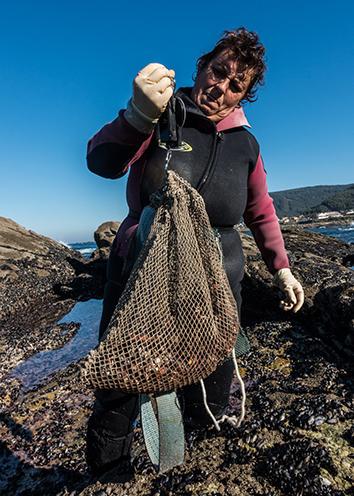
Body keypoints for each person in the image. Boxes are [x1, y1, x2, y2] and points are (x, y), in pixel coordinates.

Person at [85, 27, 304, 481]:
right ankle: (109, 473)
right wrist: (135, 116)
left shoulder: (247, 143)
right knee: (121, 380)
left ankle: (199, 445)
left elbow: (260, 209)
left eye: (235, 84)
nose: (220, 86)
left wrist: (281, 268)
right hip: (139, 274)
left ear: (243, 95)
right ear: (201, 67)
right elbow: (101, 161)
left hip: (217, 282)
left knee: (213, 368)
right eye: (217, 71)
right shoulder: (163, 113)